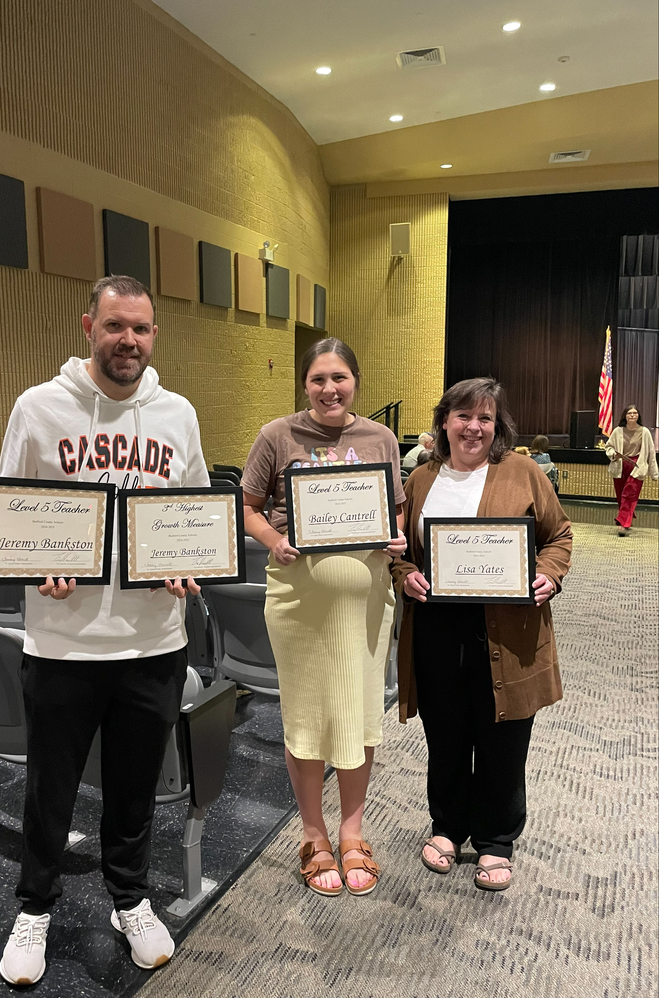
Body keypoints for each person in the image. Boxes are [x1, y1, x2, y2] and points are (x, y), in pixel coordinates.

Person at [0, 275, 209, 986]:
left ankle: (130, 896)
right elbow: (12, 514)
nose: (129, 341)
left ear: (155, 335)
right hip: (63, 642)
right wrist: (36, 565)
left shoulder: (176, 414)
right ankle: (34, 906)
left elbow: (195, 511)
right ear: (89, 324)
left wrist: (189, 563)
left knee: (134, 788)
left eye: (142, 329)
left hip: (153, 641)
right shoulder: (39, 406)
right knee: (50, 787)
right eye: (116, 326)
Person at [391, 377, 572, 891]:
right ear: (443, 421)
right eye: (463, 416)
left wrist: (549, 574)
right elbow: (400, 547)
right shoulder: (420, 478)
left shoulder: (523, 471)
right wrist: (405, 573)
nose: (474, 427)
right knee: (445, 731)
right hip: (437, 626)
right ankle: (448, 826)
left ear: (498, 426)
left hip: (507, 628)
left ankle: (496, 841)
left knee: (503, 735)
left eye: (485, 418)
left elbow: (559, 535)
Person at [241, 338, 407, 897]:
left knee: (360, 714)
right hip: (299, 600)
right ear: (304, 384)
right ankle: (313, 834)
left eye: (339, 377)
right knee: (308, 715)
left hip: (363, 602)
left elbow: (396, 507)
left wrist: (395, 535)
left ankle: (353, 832)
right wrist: (272, 538)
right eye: (318, 379)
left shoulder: (379, 438)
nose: (329, 389)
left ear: (355, 381)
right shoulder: (277, 435)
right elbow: (248, 506)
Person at [605, 404, 659, 536]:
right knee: (621, 496)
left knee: (629, 494)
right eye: (630, 413)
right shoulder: (618, 431)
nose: (633, 415)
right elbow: (608, 447)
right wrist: (613, 454)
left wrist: (654, 473)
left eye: (635, 413)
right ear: (625, 416)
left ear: (638, 416)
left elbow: (651, 453)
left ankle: (623, 524)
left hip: (636, 466)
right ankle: (627, 517)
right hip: (620, 466)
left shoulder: (644, 431)